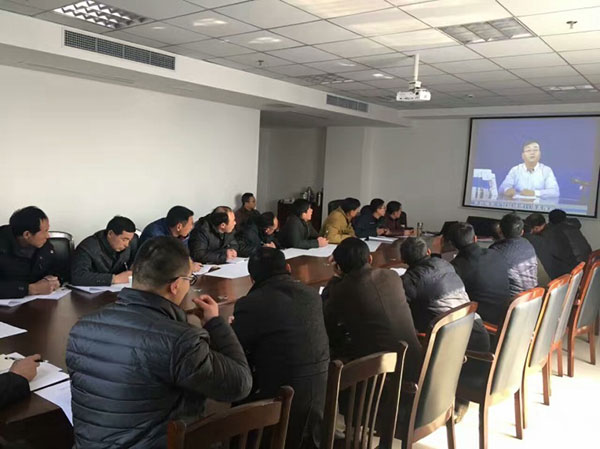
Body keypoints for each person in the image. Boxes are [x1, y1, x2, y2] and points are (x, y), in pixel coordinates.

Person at [66, 236, 252, 448]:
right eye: (189, 279)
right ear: (175, 286)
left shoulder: (82, 328)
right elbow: (240, 384)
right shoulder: (180, 340)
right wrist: (216, 323)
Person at [232, 247, 329, 449]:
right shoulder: (312, 295)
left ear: (252, 279)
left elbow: (235, 349)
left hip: (279, 406)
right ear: (288, 268)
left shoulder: (251, 304)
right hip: (318, 401)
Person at [322, 238, 421, 381]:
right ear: (370, 258)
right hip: (416, 362)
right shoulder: (392, 276)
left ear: (338, 266)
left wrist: (336, 277)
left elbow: (326, 317)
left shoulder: (343, 289)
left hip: (382, 375)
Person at [400, 237, 489, 352]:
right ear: (428, 252)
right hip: (478, 333)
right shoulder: (446, 265)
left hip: (456, 349)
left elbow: (398, 310)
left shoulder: (411, 280)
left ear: (403, 259)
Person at [446, 223, 511, 325]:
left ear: (451, 244)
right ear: (475, 238)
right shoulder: (495, 254)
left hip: (482, 322)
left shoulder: (456, 267)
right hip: (504, 315)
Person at [0, 206, 60, 299]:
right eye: (45, 231)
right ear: (27, 234)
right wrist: (31, 289)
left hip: (37, 302)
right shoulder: (3, 246)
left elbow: (58, 271)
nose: (47, 236)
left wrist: (52, 280)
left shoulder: (44, 246)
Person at [71, 216, 138, 286]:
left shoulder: (133, 242)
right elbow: (78, 276)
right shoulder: (88, 247)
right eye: (124, 240)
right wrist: (114, 279)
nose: (127, 245)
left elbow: (132, 264)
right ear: (110, 234)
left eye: (129, 240)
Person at [490, 213, 538, 297]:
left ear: (500, 232)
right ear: (522, 232)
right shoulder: (527, 244)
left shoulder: (495, 251)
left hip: (512, 300)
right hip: (533, 296)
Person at [524, 213, 574, 279]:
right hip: (568, 270)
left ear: (536, 228)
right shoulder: (554, 231)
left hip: (559, 276)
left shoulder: (542, 239)